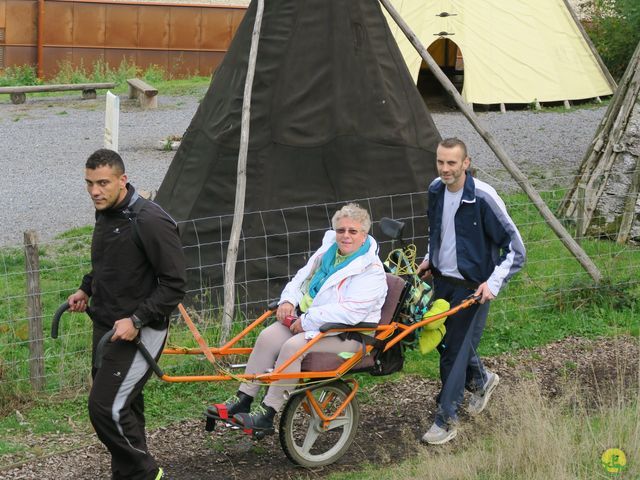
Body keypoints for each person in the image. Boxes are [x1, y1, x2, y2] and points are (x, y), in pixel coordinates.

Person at [209, 203, 387, 432]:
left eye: (353, 231)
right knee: (268, 336)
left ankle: (267, 412)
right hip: (313, 323)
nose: (345, 236)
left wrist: (307, 321)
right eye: (341, 230)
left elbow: (351, 312)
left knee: (294, 346)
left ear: (364, 235)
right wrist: (288, 301)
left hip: (349, 334)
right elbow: (301, 280)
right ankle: (243, 397)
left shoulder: (371, 270)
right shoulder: (328, 253)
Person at [67, 149, 186, 480]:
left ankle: (146, 474)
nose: (95, 191)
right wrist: (85, 289)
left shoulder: (150, 221)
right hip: (106, 326)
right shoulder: (105, 213)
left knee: (105, 407)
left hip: (141, 330)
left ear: (123, 179)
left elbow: (175, 285)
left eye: (103, 183)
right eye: (89, 183)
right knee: (127, 407)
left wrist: (136, 320)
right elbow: (107, 263)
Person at [417, 137, 525, 445]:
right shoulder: (435, 189)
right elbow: (436, 231)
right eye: (440, 162)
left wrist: (491, 284)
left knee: (454, 353)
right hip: (441, 281)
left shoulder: (483, 197)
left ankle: (446, 419)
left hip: (472, 289)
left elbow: (516, 249)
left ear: (466, 163)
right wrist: (430, 258)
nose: (445, 169)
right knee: (437, 339)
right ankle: (481, 379)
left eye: (452, 163)